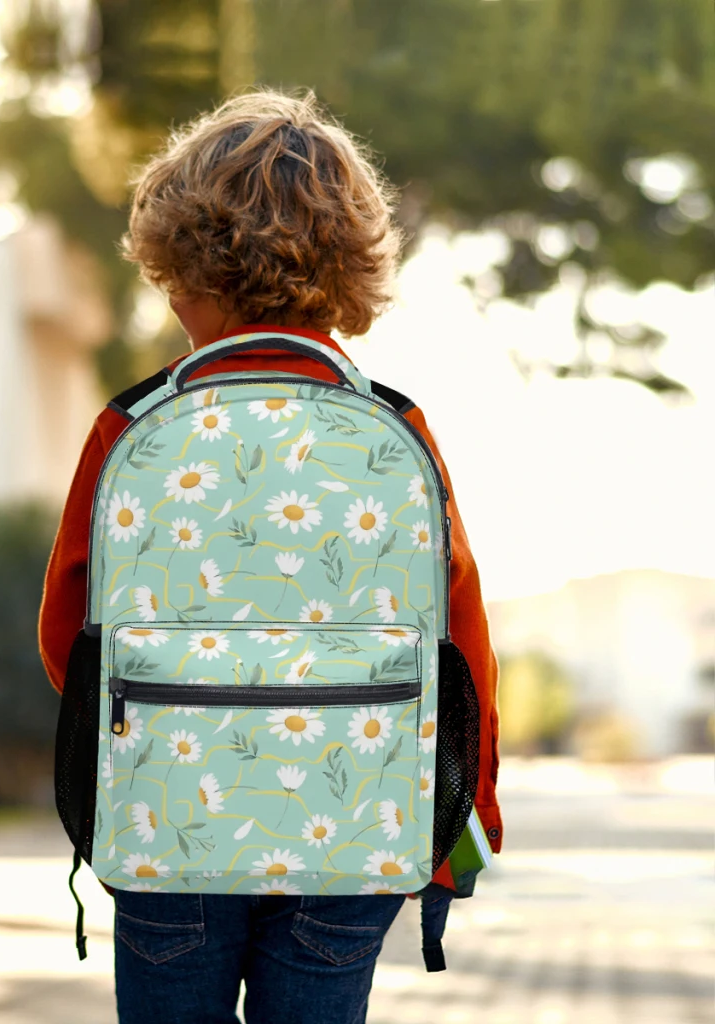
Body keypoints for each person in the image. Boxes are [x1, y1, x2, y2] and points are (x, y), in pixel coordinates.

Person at [40, 88, 501, 1024]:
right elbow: (460, 636)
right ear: (351, 269)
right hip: (354, 827)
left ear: (183, 270)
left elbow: (66, 638)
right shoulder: (395, 427)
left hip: (172, 824)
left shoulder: (132, 427)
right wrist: (467, 814)